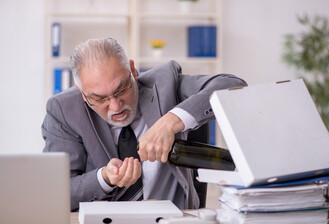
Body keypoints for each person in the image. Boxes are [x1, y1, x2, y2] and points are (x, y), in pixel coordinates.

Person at [42, 38, 246, 211]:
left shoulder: (165, 83)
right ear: (82, 92)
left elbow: (233, 86)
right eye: (100, 99)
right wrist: (104, 178)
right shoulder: (64, 110)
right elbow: (56, 192)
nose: (115, 106)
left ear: (132, 70)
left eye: (122, 89)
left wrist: (170, 121)